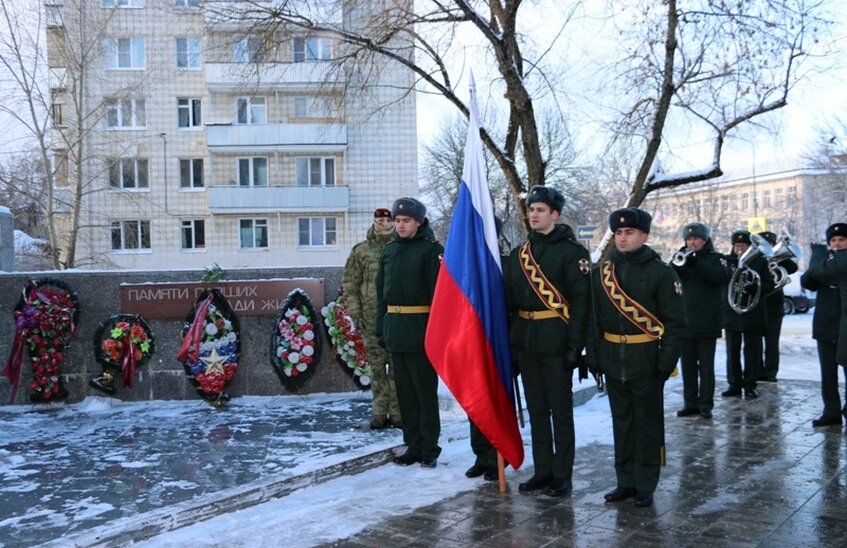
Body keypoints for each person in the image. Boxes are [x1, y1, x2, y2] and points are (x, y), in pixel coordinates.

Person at [590, 207, 685, 508]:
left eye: (629, 232)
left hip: (646, 358)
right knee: (622, 423)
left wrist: (665, 362)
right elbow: (593, 319)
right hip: (613, 358)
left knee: (646, 423)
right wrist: (595, 356)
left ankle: (645, 482)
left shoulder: (661, 273)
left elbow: (674, 323)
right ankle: (625, 481)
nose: (622, 237)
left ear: (644, 235)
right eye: (618, 233)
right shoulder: (603, 273)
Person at [503, 185, 590, 498]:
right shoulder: (518, 255)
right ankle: (542, 471)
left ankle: (562, 475)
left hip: (556, 341)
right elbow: (510, 302)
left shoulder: (572, 253)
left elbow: (582, 302)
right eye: (531, 210)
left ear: (555, 214)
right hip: (526, 342)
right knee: (537, 411)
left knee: (561, 412)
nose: (534, 214)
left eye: (540, 210)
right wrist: (511, 345)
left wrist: (574, 345)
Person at [376, 197, 444, 468]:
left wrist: (435, 333)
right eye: (398, 221)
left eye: (406, 221)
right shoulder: (390, 250)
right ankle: (413, 444)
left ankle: (429, 447)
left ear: (418, 222)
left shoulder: (431, 249)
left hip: (421, 329)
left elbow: (439, 296)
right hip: (396, 329)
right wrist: (381, 328)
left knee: (424, 392)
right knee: (404, 393)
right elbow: (382, 293)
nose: (400, 225)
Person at [341, 207, 402, 430]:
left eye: (388, 220)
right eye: (380, 219)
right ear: (374, 221)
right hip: (370, 322)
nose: (384, 223)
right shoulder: (361, 251)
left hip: (397, 320)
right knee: (377, 371)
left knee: (397, 371)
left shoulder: (400, 248)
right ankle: (379, 414)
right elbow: (350, 285)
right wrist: (356, 313)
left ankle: (397, 415)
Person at [671, 223, 730, 419]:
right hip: (686, 321)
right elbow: (669, 278)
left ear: (704, 240)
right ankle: (690, 403)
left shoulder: (715, 259)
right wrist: (677, 262)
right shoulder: (681, 258)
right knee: (687, 367)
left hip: (707, 321)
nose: (692, 242)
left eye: (696, 238)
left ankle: (706, 404)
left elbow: (719, 277)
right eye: (689, 239)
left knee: (706, 366)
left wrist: (697, 263)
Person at [802, 223, 847, 427]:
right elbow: (807, 281)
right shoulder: (825, 262)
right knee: (827, 373)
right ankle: (831, 412)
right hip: (824, 325)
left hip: (843, 325)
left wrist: (821, 263)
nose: (837, 243)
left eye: (842, 240)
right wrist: (817, 265)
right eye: (833, 241)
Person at [722, 230, 772, 400]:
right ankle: (734, 384)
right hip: (732, 313)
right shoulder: (727, 262)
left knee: (752, 352)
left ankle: (750, 384)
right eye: (737, 245)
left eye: (743, 245)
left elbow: (769, 285)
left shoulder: (760, 262)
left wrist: (756, 288)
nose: (740, 249)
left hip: (753, 313)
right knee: (732, 351)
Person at [758, 231, 798, 383]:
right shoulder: (756, 258)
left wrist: (778, 259)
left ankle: (770, 372)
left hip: (774, 307)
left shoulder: (779, 260)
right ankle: (756, 370)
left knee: (771, 343)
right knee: (754, 343)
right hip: (758, 305)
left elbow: (793, 268)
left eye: (770, 244)